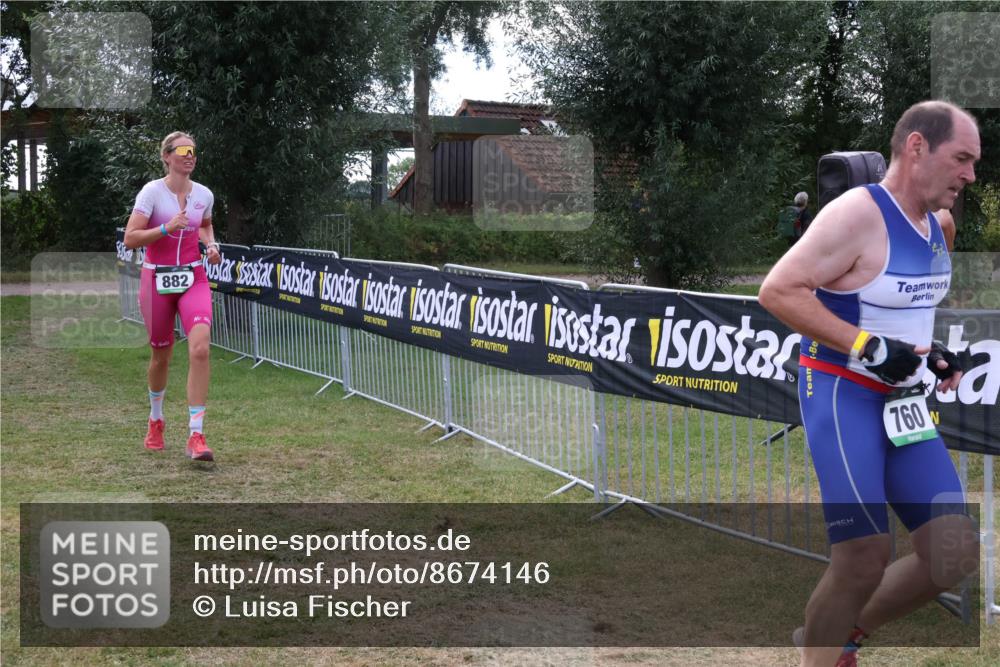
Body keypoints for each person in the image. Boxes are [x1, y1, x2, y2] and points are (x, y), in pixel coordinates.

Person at [759, 101, 980, 667]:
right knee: (862, 556)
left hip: (903, 406)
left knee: (952, 554)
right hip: (842, 391)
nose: (970, 175)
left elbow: (908, 309)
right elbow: (779, 291)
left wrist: (934, 356)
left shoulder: (940, 225)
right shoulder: (855, 214)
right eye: (962, 158)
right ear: (916, 148)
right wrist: (866, 347)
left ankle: (836, 633)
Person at [124, 131, 222, 461]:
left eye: (193, 150)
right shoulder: (152, 192)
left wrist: (210, 245)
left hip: (193, 276)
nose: (189, 155)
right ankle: (156, 419)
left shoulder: (204, 194)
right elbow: (131, 238)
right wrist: (166, 228)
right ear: (167, 156)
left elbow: (205, 225)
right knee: (160, 356)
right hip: (156, 279)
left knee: (200, 347)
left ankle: (196, 434)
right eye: (182, 150)